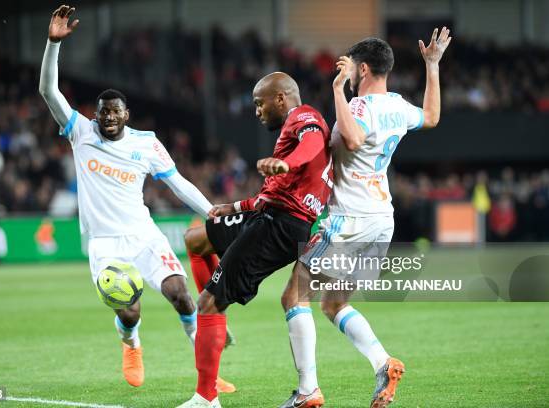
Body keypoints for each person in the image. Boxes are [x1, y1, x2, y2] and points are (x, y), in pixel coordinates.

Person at [39, 5, 235, 392]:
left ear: (126, 114)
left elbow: (177, 182)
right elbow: (47, 90)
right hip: (105, 243)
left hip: (144, 235)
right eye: (102, 113)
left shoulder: (146, 144)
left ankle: (206, 374)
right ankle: (131, 344)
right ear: (94, 116)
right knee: (130, 310)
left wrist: (211, 210)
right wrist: (53, 45)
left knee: (181, 295)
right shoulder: (80, 132)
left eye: (114, 112)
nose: (107, 118)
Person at [279, 29, 452, 408]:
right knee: (333, 303)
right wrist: (433, 66)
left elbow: (354, 139)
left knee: (294, 295)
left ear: (362, 68)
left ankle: (308, 391)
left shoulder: (358, 106)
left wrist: (338, 91)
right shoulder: (398, 106)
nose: (348, 74)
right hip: (380, 220)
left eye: (351, 69)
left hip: (348, 218)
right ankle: (382, 362)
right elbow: (433, 117)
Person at [177, 71, 333, 408]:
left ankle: (206, 398)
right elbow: (269, 195)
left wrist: (284, 163)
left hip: (279, 226)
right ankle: (216, 312)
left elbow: (313, 144)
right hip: (269, 215)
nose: (257, 111)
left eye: (259, 103)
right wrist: (233, 206)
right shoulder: (289, 128)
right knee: (195, 240)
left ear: (281, 98)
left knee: (207, 303)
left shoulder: (304, 117)